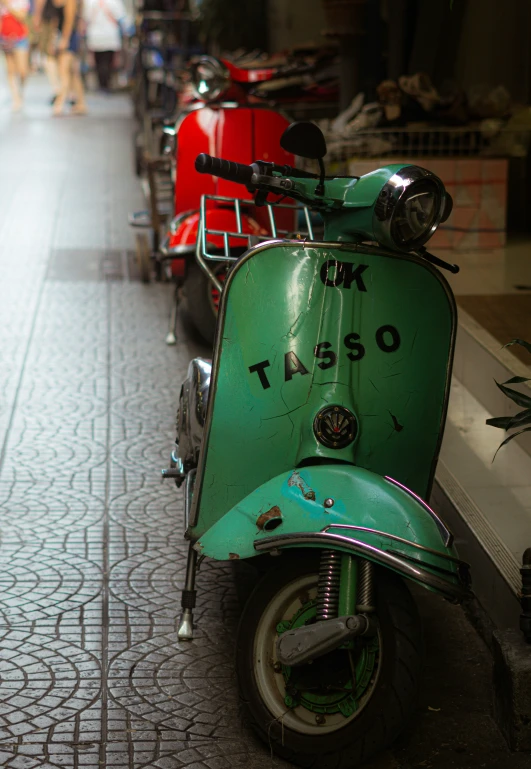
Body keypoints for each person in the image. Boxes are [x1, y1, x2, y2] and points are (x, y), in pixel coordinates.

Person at [83, 0, 129, 91]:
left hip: (96, 36)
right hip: (109, 36)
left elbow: (86, 17)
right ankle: (105, 84)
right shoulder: (115, 2)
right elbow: (122, 18)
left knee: (100, 62)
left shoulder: (90, 2)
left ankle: (102, 84)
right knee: (107, 62)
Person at [51, 0, 86, 115]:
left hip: (69, 37)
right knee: (73, 72)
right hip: (61, 36)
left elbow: (69, 21)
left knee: (64, 71)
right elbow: (56, 20)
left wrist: (65, 40)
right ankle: (81, 103)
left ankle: (59, 103)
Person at [0, 0, 30, 111]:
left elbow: (22, 16)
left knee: (23, 71)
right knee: (10, 70)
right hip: (5, 38)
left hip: (20, 38)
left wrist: (8, 5)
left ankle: (21, 91)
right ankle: (16, 98)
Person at [33, 0, 60, 102]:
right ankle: (62, 89)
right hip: (54, 19)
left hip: (51, 21)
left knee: (50, 57)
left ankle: (58, 89)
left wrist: (37, 16)